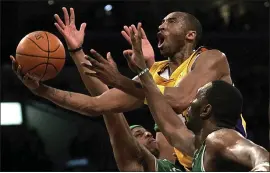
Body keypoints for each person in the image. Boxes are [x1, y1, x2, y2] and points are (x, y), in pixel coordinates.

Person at [124, 33, 270, 170]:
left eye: (195, 99)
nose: (189, 104)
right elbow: (169, 125)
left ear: (206, 110)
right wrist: (142, 71)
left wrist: (262, 168)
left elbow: (259, 155)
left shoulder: (220, 138)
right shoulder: (197, 147)